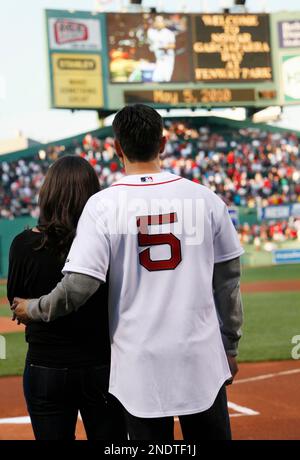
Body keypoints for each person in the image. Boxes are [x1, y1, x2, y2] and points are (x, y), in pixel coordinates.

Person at [13, 105, 244, 441]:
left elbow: (78, 287)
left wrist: (33, 308)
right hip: (202, 359)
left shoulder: (103, 205)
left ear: (117, 147)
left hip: (139, 366)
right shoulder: (207, 200)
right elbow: (228, 285)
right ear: (163, 143)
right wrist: (231, 346)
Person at [8, 155, 126, 441]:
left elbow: (16, 304)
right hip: (103, 366)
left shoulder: (23, 245)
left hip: (45, 365)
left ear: (47, 193)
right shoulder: (108, 242)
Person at [147, 16, 176, 82]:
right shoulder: (151, 32)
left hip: (168, 59)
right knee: (156, 79)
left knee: (166, 79)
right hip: (158, 59)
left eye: (160, 21)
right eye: (157, 21)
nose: (159, 23)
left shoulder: (169, 33)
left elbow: (172, 45)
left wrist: (161, 47)